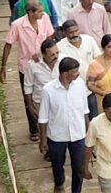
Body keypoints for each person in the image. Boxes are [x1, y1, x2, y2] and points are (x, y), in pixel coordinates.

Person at [0, 0, 55, 140]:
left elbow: (49, 37)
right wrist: (3, 66)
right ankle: (34, 129)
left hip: (45, 65)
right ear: (30, 13)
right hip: (26, 67)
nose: (43, 14)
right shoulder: (17, 25)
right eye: (40, 11)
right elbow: (8, 44)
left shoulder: (45, 19)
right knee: (28, 98)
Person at [38, 57, 88, 193]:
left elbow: (85, 111)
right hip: (57, 136)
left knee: (78, 167)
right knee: (57, 165)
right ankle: (59, 183)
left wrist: (88, 134)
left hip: (78, 135)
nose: (78, 74)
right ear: (65, 74)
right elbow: (43, 118)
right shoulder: (48, 90)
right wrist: (43, 140)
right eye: (75, 71)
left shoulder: (80, 85)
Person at [57, 20, 102, 118]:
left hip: (90, 88)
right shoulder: (59, 47)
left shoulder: (89, 40)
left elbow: (98, 59)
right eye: (71, 32)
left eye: (76, 31)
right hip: (72, 90)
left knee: (94, 117)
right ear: (64, 33)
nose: (74, 34)